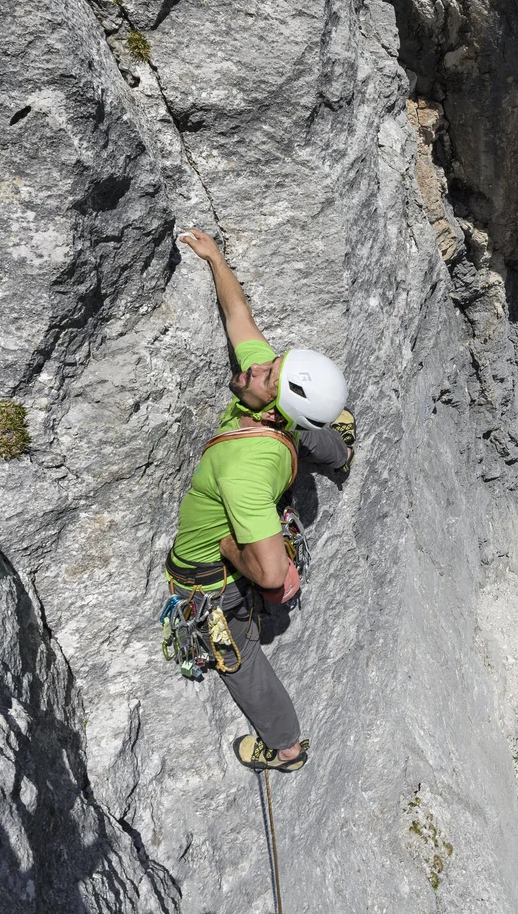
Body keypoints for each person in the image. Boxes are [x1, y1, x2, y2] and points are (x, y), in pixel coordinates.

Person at [166, 228, 354, 773]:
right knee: (308, 441)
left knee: (235, 655)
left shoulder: (244, 469)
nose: (255, 368)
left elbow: (271, 575)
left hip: (208, 578)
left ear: (272, 407)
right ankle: (339, 447)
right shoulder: (274, 411)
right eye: (268, 366)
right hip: (282, 451)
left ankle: (286, 747)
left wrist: (226, 545)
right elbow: (239, 320)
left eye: (266, 375)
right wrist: (215, 259)